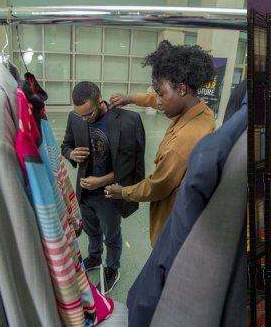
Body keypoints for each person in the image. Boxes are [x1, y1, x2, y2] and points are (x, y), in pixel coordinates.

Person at [105, 41, 216, 246]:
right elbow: (157, 99)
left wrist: (123, 192)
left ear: (181, 88)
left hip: (172, 228)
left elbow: (159, 186)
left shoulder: (184, 140)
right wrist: (130, 98)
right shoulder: (201, 111)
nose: (158, 101)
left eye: (160, 93)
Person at [61, 81, 145, 294]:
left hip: (109, 193)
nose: (85, 120)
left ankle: (112, 268)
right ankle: (95, 255)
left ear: (100, 101)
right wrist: (71, 153)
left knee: (112, 234)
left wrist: (101, 181)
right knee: (91, 230)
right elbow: (66, 145)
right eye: (81, 116)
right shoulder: (76, 117)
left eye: (88, 115)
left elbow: (130, 167)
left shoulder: (127, 121)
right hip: (85, 192)